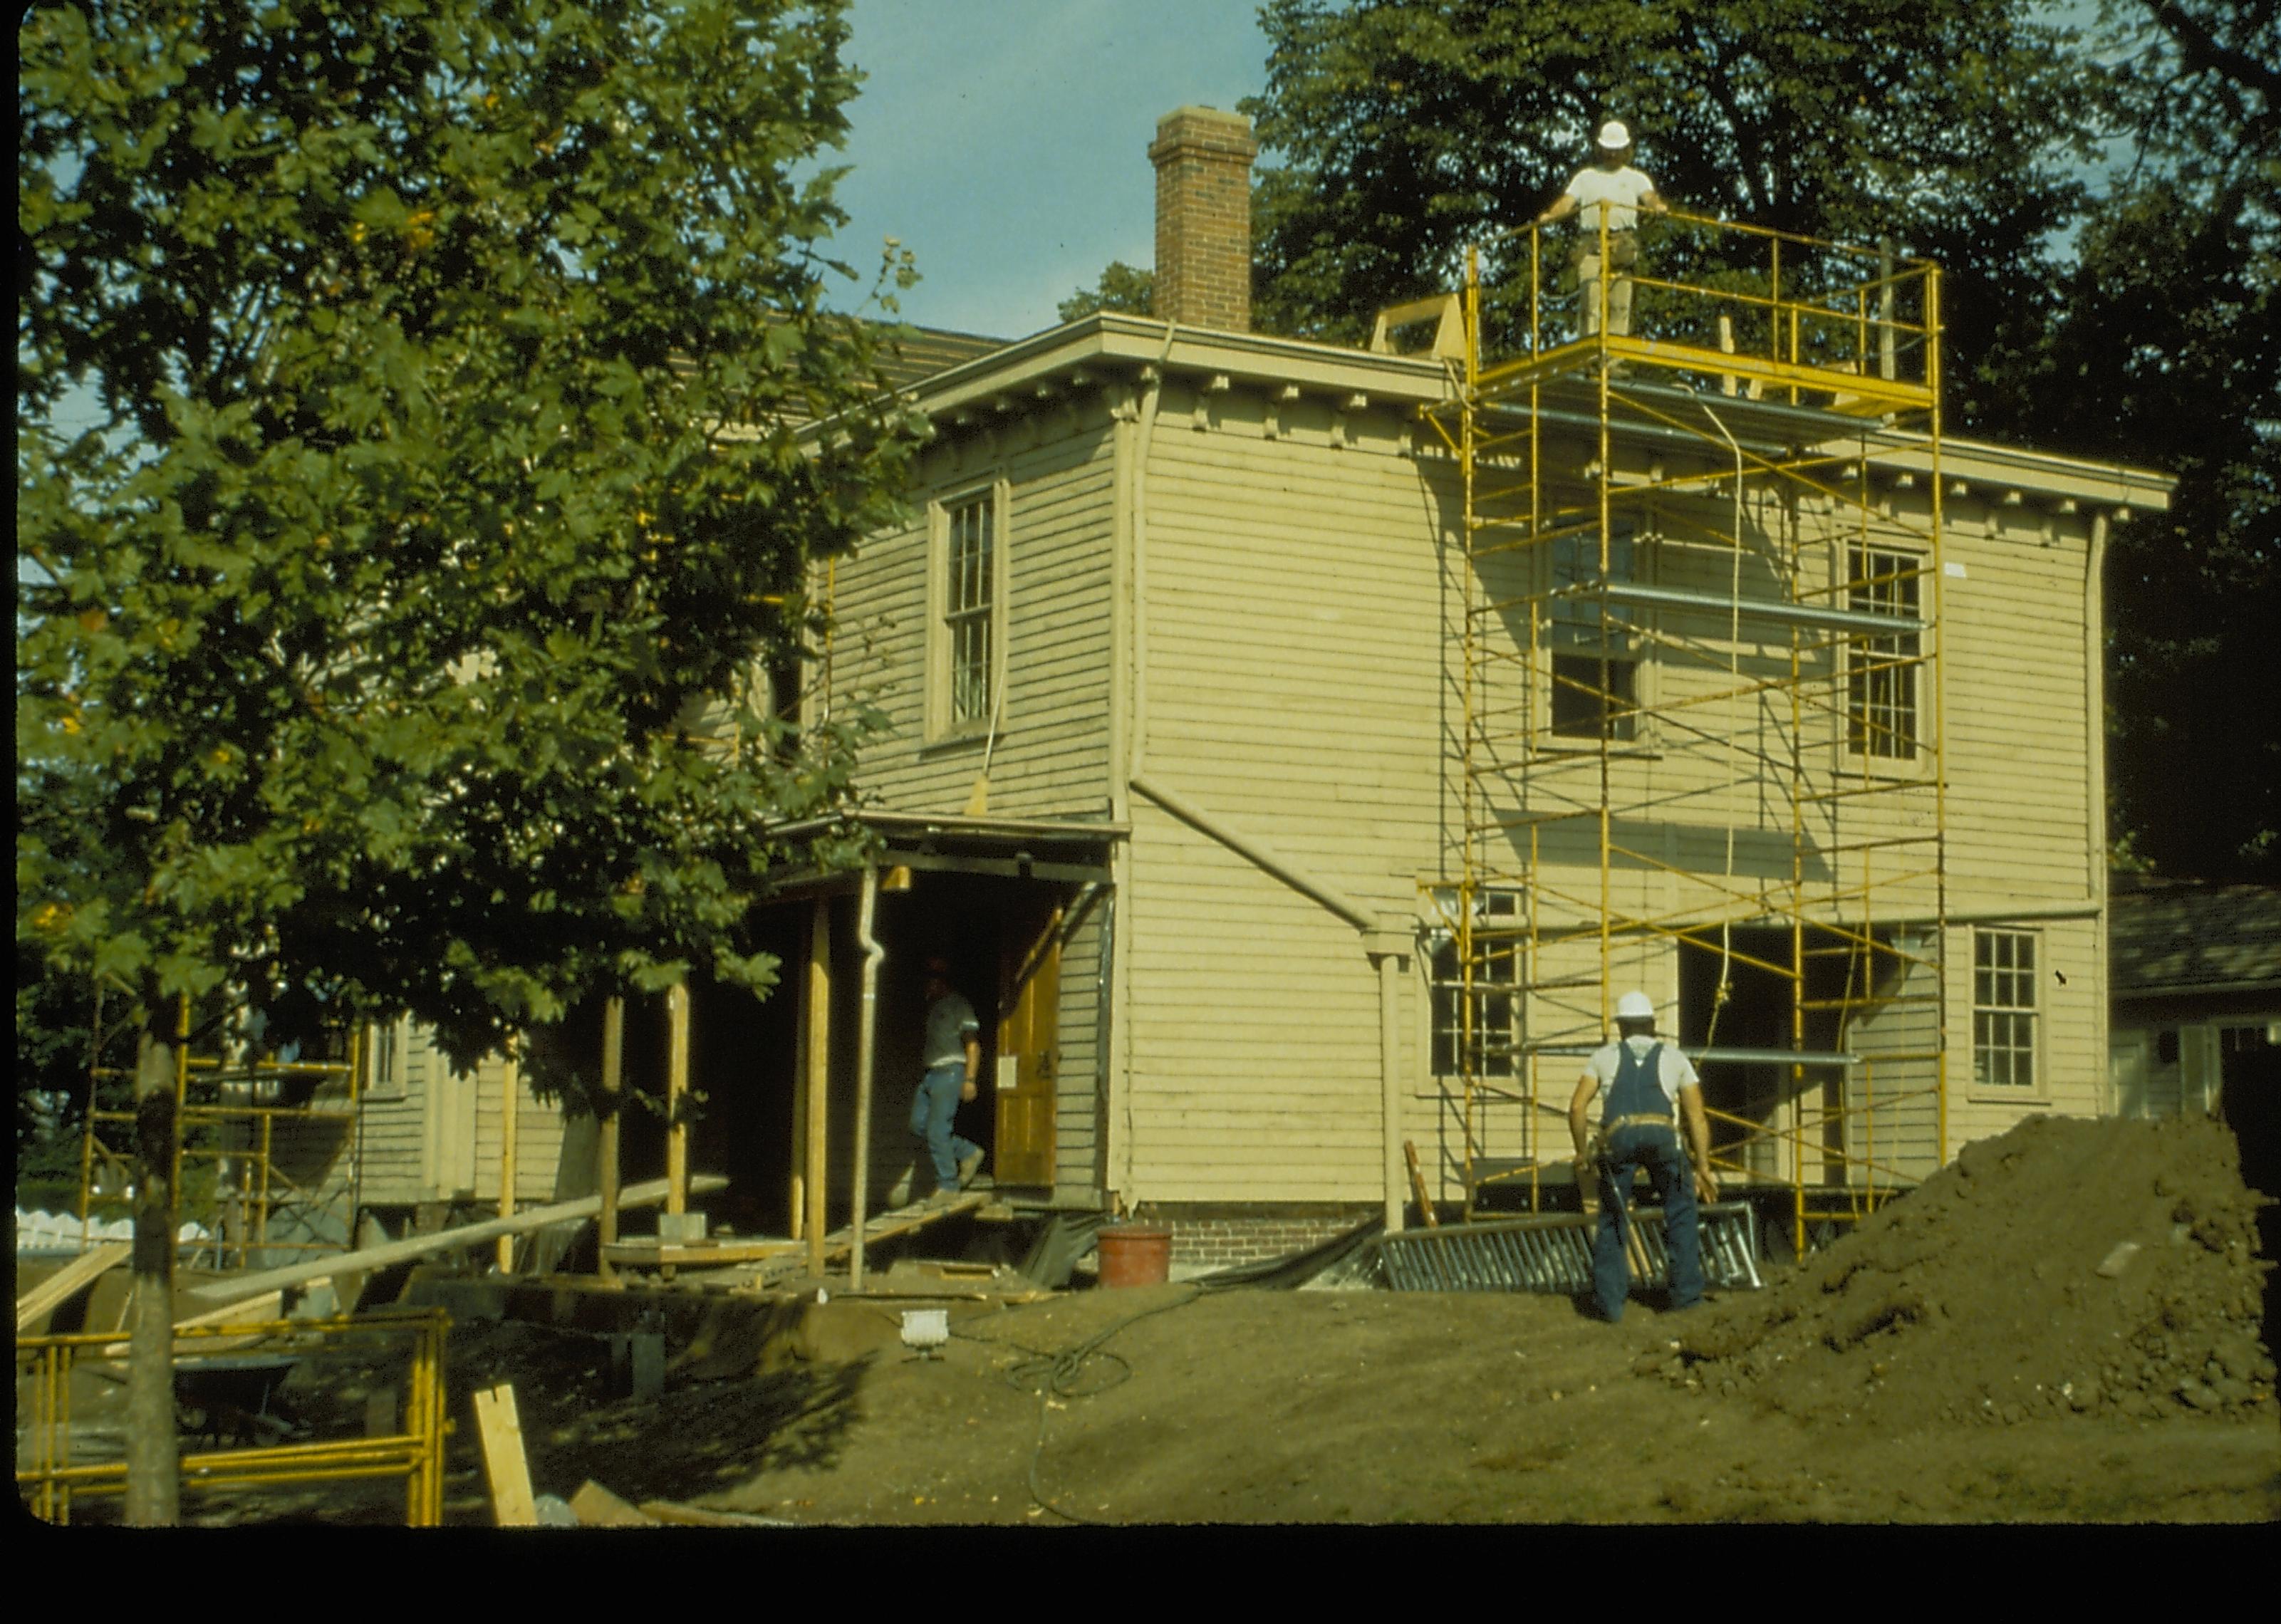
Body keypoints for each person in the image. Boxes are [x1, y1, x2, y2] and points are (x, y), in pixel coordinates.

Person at [1567, 989, 1719, 1321]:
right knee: (1680, 1211)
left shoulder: (1603, 1057)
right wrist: (1703, 1166)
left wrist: (1582, 1153)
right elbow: (1697, 1116)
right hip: (1663, 1135)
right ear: (1652, 1025)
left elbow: (1577, 1107)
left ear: (1621, 1027)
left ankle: (1610, 1306)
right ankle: (1686, 1299)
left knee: (1613, 1217)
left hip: (1618, 1136)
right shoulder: (1675, 1057)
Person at [1532, 120, 1667, 339]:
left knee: (1620, 304)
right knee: (1590, 299)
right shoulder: (1586, 177)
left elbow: (1649, 197)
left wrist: (1657, 206)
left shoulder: (1635, 178)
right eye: (1608, 150)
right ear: (1600, 149)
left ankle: (1615, 360)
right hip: (1591, 244)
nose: (1612, 155)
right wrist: (1551, 215)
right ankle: (1591, 353)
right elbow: (1567, 202)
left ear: (1626, 151)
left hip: (1622, 243)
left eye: (1616, 151)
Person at [909, 956, 986, 1202]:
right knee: (918, 1124)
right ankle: (968, 1152)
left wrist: (970, 1080)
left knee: (938, 1129)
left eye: (931, 980)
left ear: (941, 981)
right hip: (931, 1074)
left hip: (951, 1072)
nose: (926, 985)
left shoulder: (958, 1005)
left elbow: (972, 1045)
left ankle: (948, 1186)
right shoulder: (933, 1008)